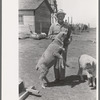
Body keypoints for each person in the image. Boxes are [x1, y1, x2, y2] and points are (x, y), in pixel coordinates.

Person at [48, 9, 72, 82]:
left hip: (64, 47)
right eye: (59, 15)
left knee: (62, 61)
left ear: (64, 16)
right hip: (55, 47)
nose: (61, 17)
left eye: (62, 15)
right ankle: (56, 78)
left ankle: (62, 78)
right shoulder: (53, 26)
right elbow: (49, 35)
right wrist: (56, 37)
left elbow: (70, 36)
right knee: (55, 62)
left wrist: (68, 42)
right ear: (57, 17)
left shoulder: (67, 26)